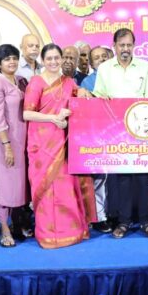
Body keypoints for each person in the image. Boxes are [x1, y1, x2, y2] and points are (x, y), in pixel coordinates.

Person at [23, 44, 93, 248]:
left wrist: (84, 92)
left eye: (57, 58)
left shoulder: (68, 82)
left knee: (65, 188)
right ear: (43, 61)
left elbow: (79, 101)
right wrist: (53, 118)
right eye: (49, 58)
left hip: (63, 144)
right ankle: (47, 235)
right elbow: (26, 113)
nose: (53, 62)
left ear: (62, 59)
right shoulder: (36, 82)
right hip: (41, 145)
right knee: (46, 190)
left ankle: (70, 232)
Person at [93, 28, 148, 239]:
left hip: (140, 129)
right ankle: (123, 222)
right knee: (120, 178)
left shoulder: (145, 67)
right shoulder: (105, 68)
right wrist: (95, 98)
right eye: (121, 45)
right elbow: (99, 97)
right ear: (114, 46)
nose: (125, 49)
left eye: (129, 45)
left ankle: (147, 222)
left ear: (134, 46)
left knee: (143, 176)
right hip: (115, 132)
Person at [0, 44, 29, 248]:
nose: (11, 62)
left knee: (18, 186)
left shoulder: (20, 81)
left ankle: (18, 224)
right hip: (4, 141)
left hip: (21, 140)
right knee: (3, 186)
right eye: (6, 59)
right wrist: (7, 145)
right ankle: (4, 229)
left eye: (14, 58)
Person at [79, 45, 112, 233]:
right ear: (91, 64)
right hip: (98, 136)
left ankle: (118, 214)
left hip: (123, 136)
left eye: (104, 56)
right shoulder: (87, 82)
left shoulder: (120, 77)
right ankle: (100, 217)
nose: (101, 59)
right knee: (100, 178)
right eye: (96, 58)